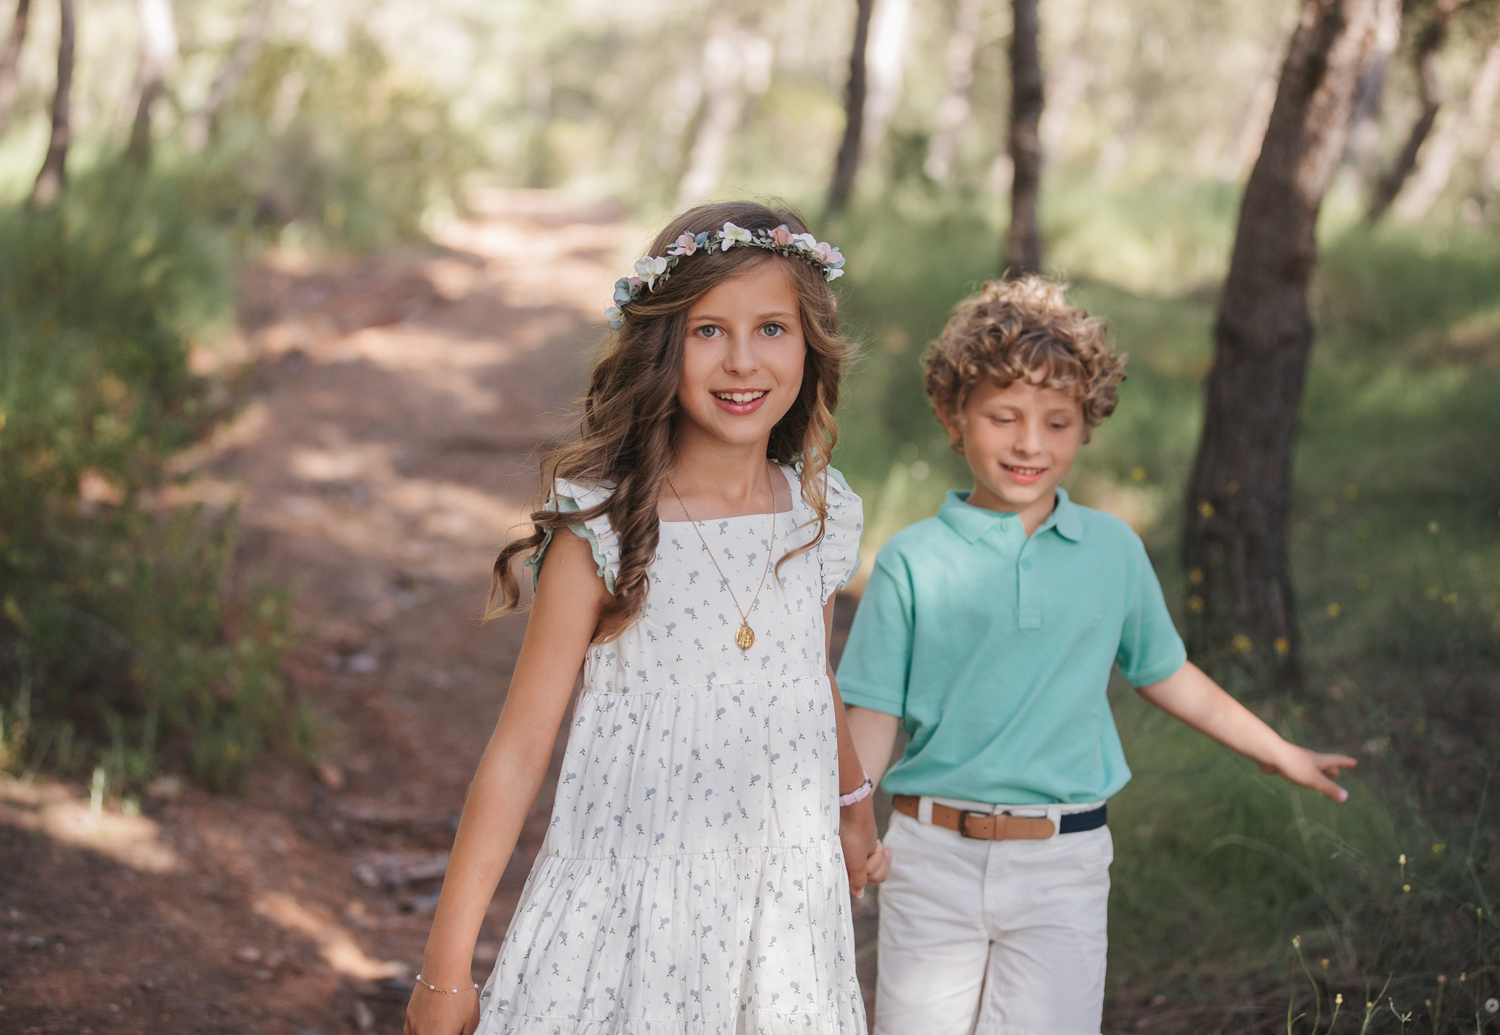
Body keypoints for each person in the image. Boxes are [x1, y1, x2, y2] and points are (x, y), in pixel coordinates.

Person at [404, 200, 886, 1035]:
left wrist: (853, 807)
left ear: (810, 345)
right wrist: (446, 974)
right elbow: (518, 756)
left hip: (778, 926)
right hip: (630, 920)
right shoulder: (607, 528)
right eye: (709, 331)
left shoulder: (818, 513)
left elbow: (807, 679)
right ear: (665, 344)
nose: (743, 361)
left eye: (772, 328)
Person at [837, 276, 1357, 1035]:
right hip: (930, 854)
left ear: (1087, 426)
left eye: (1057, 422)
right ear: (955, 417)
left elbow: (1165, 671)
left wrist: (1274, 750)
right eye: (1004, 416)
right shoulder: (911, 562)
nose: (1029, 443)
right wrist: (848, 822)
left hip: (1064, 860)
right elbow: (874, 711)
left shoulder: (1112, 550)